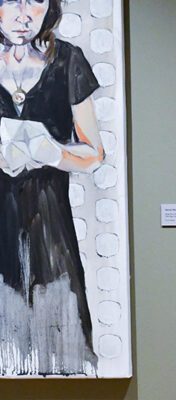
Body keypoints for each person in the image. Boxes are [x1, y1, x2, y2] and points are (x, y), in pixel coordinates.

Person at [0, 0, 104, 375]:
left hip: (51, 235)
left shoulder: (68, 60)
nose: (24, 14)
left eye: (36, 0)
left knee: (65, 354)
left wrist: (53, 152)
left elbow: (94, 154)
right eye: (10, 0)